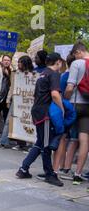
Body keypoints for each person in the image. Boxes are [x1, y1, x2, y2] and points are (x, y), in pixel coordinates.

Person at [16, 53, 64, 187]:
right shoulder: (54, 74)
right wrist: (62, 108)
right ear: (58, 62)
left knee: (41, 142)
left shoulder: (42, 74)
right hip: (45, 113)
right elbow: (55, 94)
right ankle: (49, 174)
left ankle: (23, 169)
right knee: (46, 145)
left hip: (37, 111)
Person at [64, 42, 89, 185]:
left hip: (75, 104)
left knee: (63, 136)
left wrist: (64, 100)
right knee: (84, 139)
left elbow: (69, 86)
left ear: (78, 52)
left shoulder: (77, 64)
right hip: (88, 106)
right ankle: (78, 174)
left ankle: (60, 168)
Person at [0, 55, 12, 141]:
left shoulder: (12, 72)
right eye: (5, 60)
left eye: (8, 60)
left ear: (10, 62)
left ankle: (6, 137)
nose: (6, 62)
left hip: (7, 98)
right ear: (2, 61)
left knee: (6, 117)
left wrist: (8, 75)